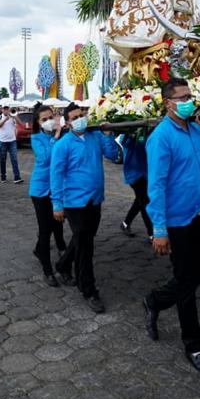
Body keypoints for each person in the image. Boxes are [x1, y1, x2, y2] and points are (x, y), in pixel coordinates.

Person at [143, 78, 200, 377]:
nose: (188, 101)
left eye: (190, 96)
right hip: (177, 222)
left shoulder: (197, 131)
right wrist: (159, 230)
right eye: (182, 97)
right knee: (186, 283)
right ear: (168, 102)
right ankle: (194, 346)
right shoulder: (161, 138)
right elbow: (155, 185)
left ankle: (155, 300)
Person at [50, 102, 121, 313]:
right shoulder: (63, 145)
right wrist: (57, 204)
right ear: (68, 122)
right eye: (74, 117)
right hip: (74, 202)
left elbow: (112, 154)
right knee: (86, 246)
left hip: (94, 200)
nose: (79, 119)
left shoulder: (95, 137)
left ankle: (63, 265)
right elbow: (56, 175)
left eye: (81, 115)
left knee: (84, 239)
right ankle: (88, 290)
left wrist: (108, 135)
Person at [29, 103, 68, 286]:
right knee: (45, 230)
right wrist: (57, 137)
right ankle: (47, 270)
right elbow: (45, 158)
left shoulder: (62, 135)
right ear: (38, 122)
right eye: (44, 119)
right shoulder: (36, 138)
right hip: (40, 191)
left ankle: (64, 263)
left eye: (51, 117)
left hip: (58, 189)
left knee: (58, 227)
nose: (49, 122)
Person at [119, 133, 152, 239]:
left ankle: (125, 223)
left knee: (140, 200)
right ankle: (152, 233)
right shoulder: (127, 135)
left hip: (146, 173)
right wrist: (132, 135)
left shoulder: (148, 133)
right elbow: (124, 143)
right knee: (144, 202)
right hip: (134, 174)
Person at [0, 107, 23, 184]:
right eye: (4, 109)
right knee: (3, 160)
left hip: (12, 141)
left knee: (14, 159)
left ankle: (17, 177)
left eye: (7, 109)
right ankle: (3, 176)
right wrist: (5, 119)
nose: (6, 110)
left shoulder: (12, 117)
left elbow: (21, 124)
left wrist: (15, 117)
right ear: (2, 110)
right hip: (2, 141)